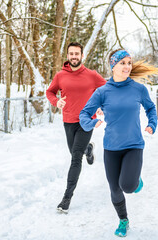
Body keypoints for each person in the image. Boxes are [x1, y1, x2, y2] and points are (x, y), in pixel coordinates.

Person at [79, 49, 158, 237]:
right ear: (113, 66)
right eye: (123, 63)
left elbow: (150, 108)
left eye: (129, 63)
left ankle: (134, 181)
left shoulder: (138, 89)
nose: (127, 66)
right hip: (111, 148)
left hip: (134, 145)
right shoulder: (102, 92)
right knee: (115, 189)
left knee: (128, 186)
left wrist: (152, 124)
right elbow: (83, 114)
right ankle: (123, 220)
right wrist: (92, 122)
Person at [46, 42, 107, 213]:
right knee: (74, 151)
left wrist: (102, 103)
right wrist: (56, 101)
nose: (74, 56)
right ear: (67, 56)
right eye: (71, 54)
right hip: (69, 120)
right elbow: (50, 92)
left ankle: (66, 198)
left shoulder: (92, 75)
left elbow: (107, 89)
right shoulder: (60, 76)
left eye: (77, 53)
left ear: (82, 55)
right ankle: (88, 149)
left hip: (87, 120)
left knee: (75, 158)